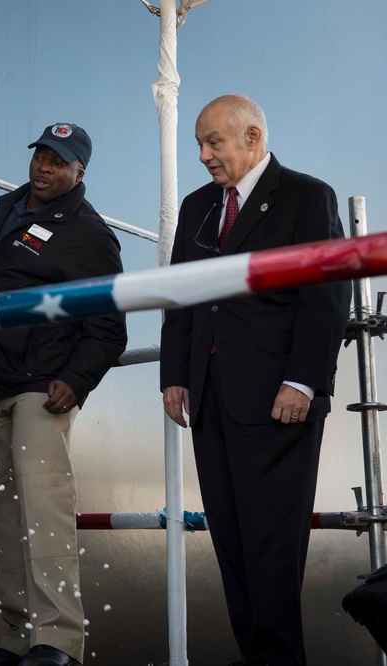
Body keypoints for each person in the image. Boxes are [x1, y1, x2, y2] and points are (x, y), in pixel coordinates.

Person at [160, 94, 351, 666]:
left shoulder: (306, 197)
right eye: (198, 143)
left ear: (252, 137)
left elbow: (326, 297)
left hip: (278, 401)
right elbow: (180, 295)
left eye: (212, 142)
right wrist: (174, 373)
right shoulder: (197, 207)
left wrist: (304, 382)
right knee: (233, 546)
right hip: (210, 399)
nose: (202, 156)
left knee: (273, 548)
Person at [0, 123, 127, 666]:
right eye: (41, 155)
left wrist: (76, 381)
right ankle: (19, 634)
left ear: (80, 172)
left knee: (41, 512)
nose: (45, 167)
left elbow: (108, 324)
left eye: (60, 161)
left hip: (40, 387)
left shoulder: (89, 232)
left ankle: (57, 638)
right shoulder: (8, 207)